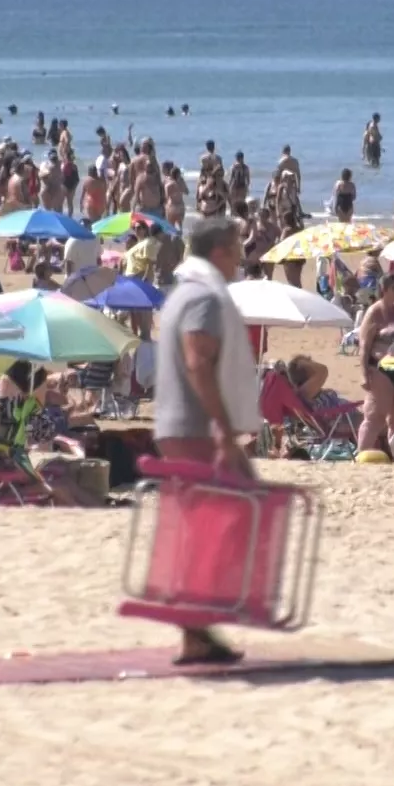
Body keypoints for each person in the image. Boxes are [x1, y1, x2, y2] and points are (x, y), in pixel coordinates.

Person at [152, 215, 261, 666]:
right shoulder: (203, 298)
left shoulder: (184, 292)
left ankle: (197, 627)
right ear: (218, 252)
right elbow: (198, 362)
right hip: (194, 428)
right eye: (236, 250)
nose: (240, 259)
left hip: (182, 426)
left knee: (220, 518)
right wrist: (222, 428)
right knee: (226, 518)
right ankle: (193, 624)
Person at [356, 274, 394, 455]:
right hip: (381, 369)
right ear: (384, 290)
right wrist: (363, 373)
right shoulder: (375, 312)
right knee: (375, 416)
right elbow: (364, 346)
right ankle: (362, 454)